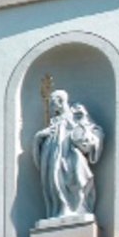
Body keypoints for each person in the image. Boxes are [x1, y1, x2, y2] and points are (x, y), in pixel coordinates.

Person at [33, 89, 103, 223]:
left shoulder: (76, 114)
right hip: (53, 159)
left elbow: (92, 132)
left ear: (60, 102)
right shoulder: (53, 122)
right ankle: (61, 210)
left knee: (76, 178)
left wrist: (83, 129)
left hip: (71, 157)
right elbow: (43, 142)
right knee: (55, 182)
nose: (51, 108)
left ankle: (78, 209)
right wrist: (39, 137)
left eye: (52, 104)